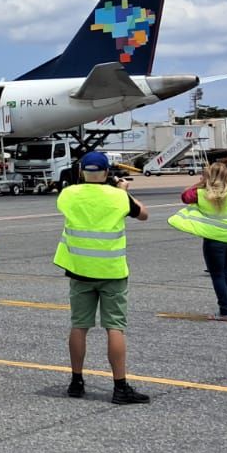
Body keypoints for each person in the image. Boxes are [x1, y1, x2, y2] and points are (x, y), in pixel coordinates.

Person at [54, 151, 149, 404]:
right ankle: (120, 387)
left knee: (79, 325)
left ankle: (76, 381)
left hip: (80, 269)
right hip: (112, 271)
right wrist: (123, 190)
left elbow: (74, 197)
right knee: (114, 327)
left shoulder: (68, 195)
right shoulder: (118, 197)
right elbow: (143, 214)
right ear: (107, 173)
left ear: (81, 172)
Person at [170, 161, 227, 321]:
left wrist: (202, 182)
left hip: (214, 240)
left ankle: (225, 311)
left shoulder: (202, 193)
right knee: (225, 274)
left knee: (217, 275)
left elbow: (185, 196)